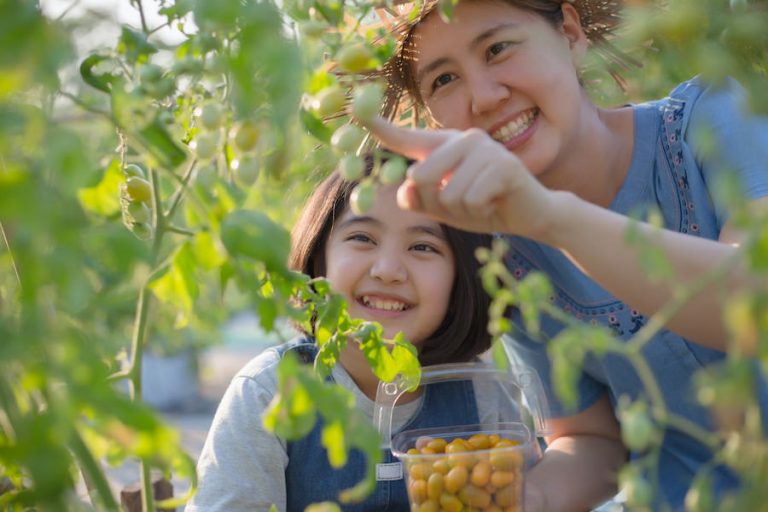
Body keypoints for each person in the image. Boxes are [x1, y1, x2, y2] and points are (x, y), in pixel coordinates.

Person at [361, 0, 768, 510]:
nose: (483, 98)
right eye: (444, 80)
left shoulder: (717, 115)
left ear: (570, 33)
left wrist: (551, 218)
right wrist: (517, 499)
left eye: (498, 48)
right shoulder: (507, 253)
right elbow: (591, 439)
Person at [186, 158, 498, 511]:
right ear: (319, 263)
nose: (388, 271)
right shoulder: (266, 392)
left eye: (423, 246)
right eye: (362, 238)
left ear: (462, 281)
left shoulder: (483, 394)